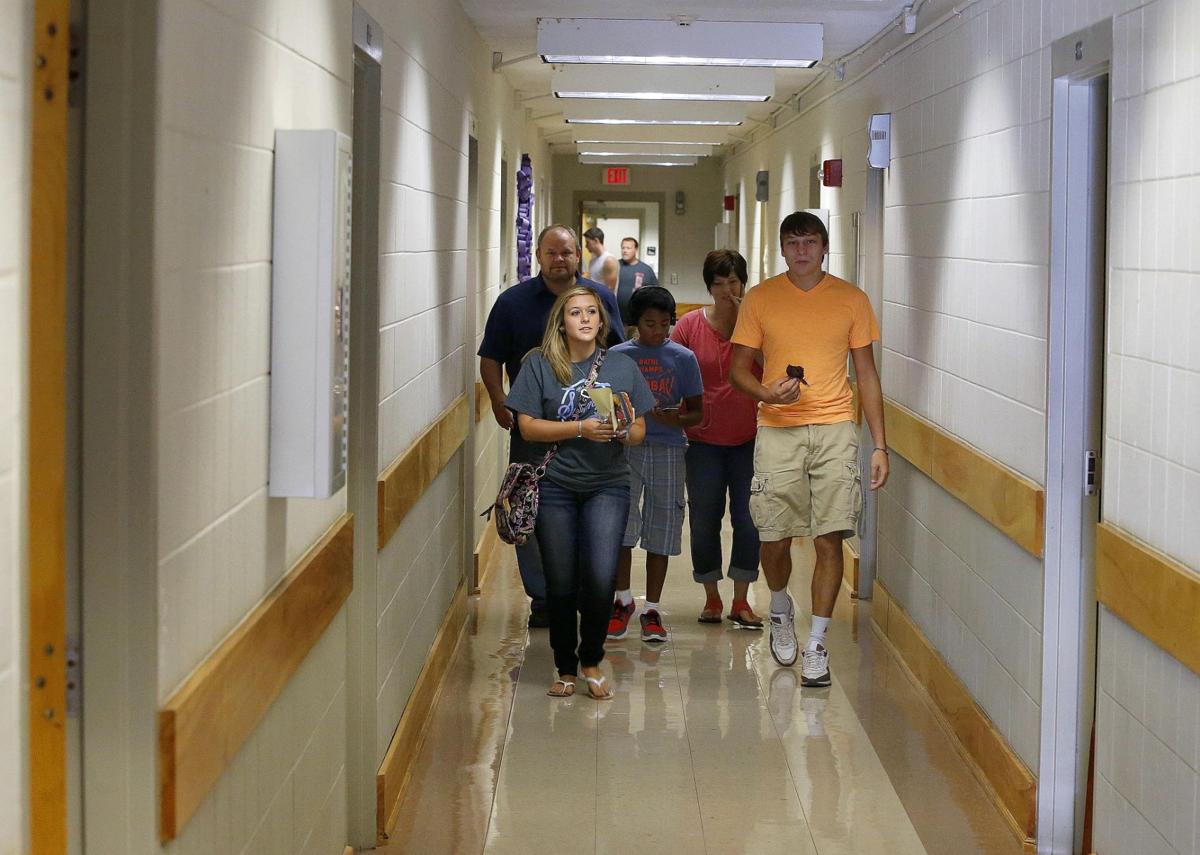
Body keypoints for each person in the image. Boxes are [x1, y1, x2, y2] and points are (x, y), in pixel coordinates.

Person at [730, 211, 888, 687]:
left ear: (824, 248)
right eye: (793, 243)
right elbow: (739, 370)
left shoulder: (851, 299)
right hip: (778, 428)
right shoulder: (760, 299)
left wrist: (879, 444)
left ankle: (817, 644)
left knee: (830, 536)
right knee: (774, 537)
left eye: (811, 242)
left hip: (836, 427)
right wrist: (766, 394)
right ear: (782, 250)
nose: (802, 251)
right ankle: (780, 605)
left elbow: (866, 375)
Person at [505, 287, 656, 699]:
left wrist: (620, 430)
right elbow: (527, 426)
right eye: (575, 312)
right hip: (554, 484)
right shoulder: (538, 364)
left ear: (602, 321)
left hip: (607, 485)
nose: (586, 318)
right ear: (562, 321)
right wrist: (579, 428)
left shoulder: (622, 366)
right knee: (560, 580)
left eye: (592, 312)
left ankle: (591, 658)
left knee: (600, 575)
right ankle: (564, 666)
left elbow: (640, 431)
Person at [478, 225, 625, 628]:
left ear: (579, 255)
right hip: (533, 428)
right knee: (530, 508)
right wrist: (496, 398)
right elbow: (490, 358)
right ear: (539, 257)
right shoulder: (513, 303)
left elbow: (619, 355)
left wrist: (618, 415)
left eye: (567, 253)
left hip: (593, 427)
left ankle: (583, 592)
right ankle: (543, 597)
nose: (559, 260)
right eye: (551, 253)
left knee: (589, 508)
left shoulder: (601, 298)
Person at [670, 250, 764, 628]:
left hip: (751, 438)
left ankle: (741, 600)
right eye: (720, 284)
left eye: (734, 282)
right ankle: (711, 596)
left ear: (744, 283)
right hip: (702, 440)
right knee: (705, 517)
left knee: (749, 518)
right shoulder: (691, 326)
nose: (728, 290)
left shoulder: (758, 326)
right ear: (709, 287)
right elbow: (668, 365)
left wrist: (749, 325)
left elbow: (775, 365)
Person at [608, 287, 703, 643]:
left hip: (669, 449)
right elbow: (605, 401)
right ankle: (622, 600)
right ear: (635, 323)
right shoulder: (617, 356)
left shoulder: (683, 357)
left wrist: (675, 417)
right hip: (626, 450)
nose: (658, 331)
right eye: (650, 324)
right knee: (622, 525)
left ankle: (653, 608)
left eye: (665, 324)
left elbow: (696, 411)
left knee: (661, 526)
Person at [616, 236, 659, 329]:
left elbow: (655, 294)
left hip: (638, 321)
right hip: (616, 319)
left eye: (628, 248)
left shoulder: (646, 270)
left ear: (635, 249)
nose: (625, 251)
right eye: (623, 248)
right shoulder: (615, 266)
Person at [583, 226, 619, 294]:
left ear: (596, 241)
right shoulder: (592, 260)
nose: (586, 246)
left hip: (604, 302)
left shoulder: (609, 260)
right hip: (594, 300)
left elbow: (610, 290)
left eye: (588, 242)